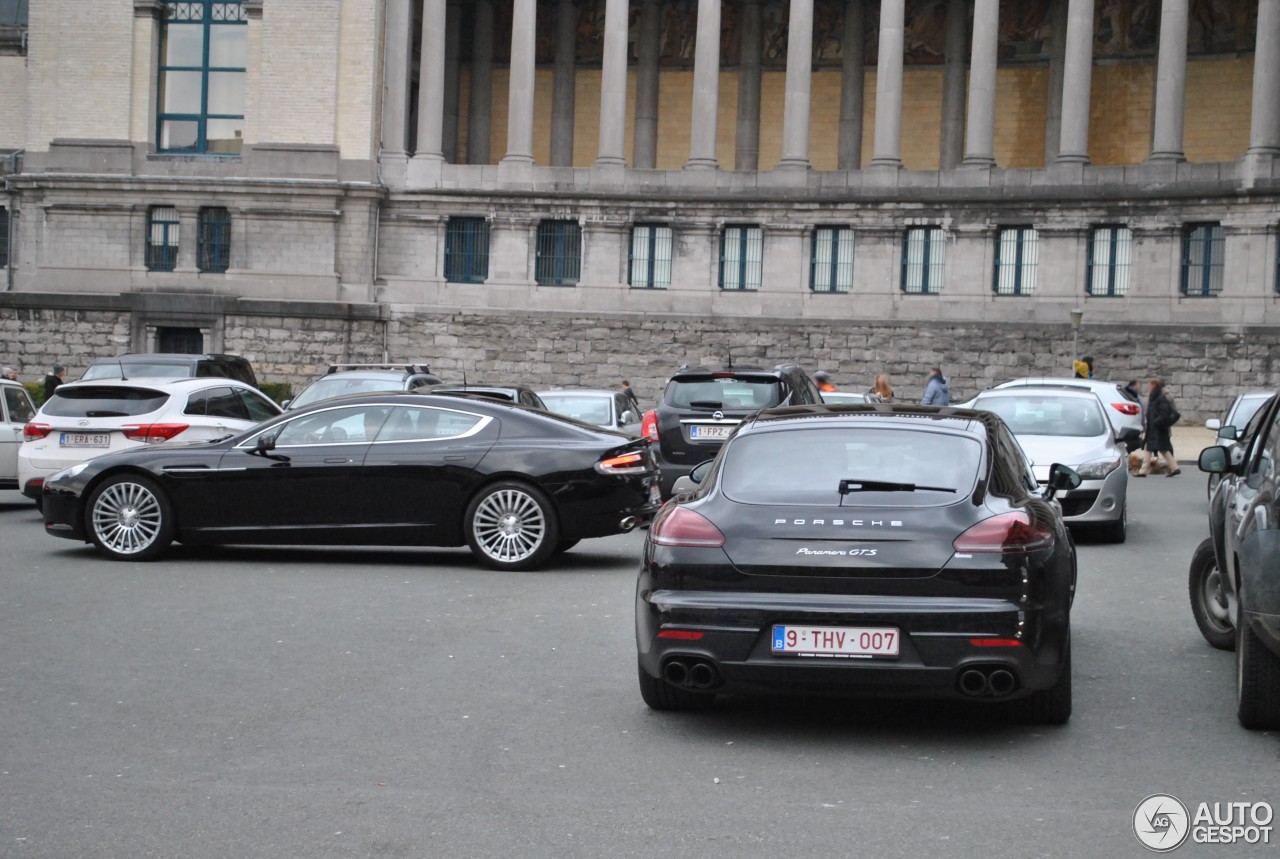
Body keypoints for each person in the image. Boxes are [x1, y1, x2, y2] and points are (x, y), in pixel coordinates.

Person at [1137, 378, 1180, 477]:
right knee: (1157, 448)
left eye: (1149, 385)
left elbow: (1164, 413)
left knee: (1156, 448)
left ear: (1154, 385)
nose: (1148, 387)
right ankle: (1174, 467)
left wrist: (1156, 422)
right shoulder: (1155, 397)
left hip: (1157, 428)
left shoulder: (1159, 398)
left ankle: (1143, 471)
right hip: (1154, 428)